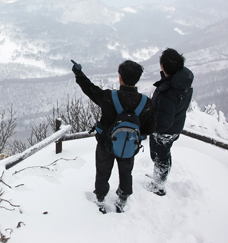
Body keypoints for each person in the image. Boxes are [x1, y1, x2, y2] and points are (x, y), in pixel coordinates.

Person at [72, 60, 155, 213]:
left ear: (120, 77)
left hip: (106, 145)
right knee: (126, 172)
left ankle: (100, 197)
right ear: (138, 78)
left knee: (103, 171)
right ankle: (123, 198)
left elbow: (90, 89)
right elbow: (150, 127)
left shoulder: (109, 97)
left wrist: (78, 73)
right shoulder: (146, 103)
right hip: (129, 146)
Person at [147, 48, 194, 196]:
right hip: (175, 125)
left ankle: (159, 186)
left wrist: (149, 126)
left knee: (160, 156)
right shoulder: (182, 81)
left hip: (165, 131)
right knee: (163, 154)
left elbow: (163, 123)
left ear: (162, 66)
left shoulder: (169, 92)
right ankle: (158, 179)